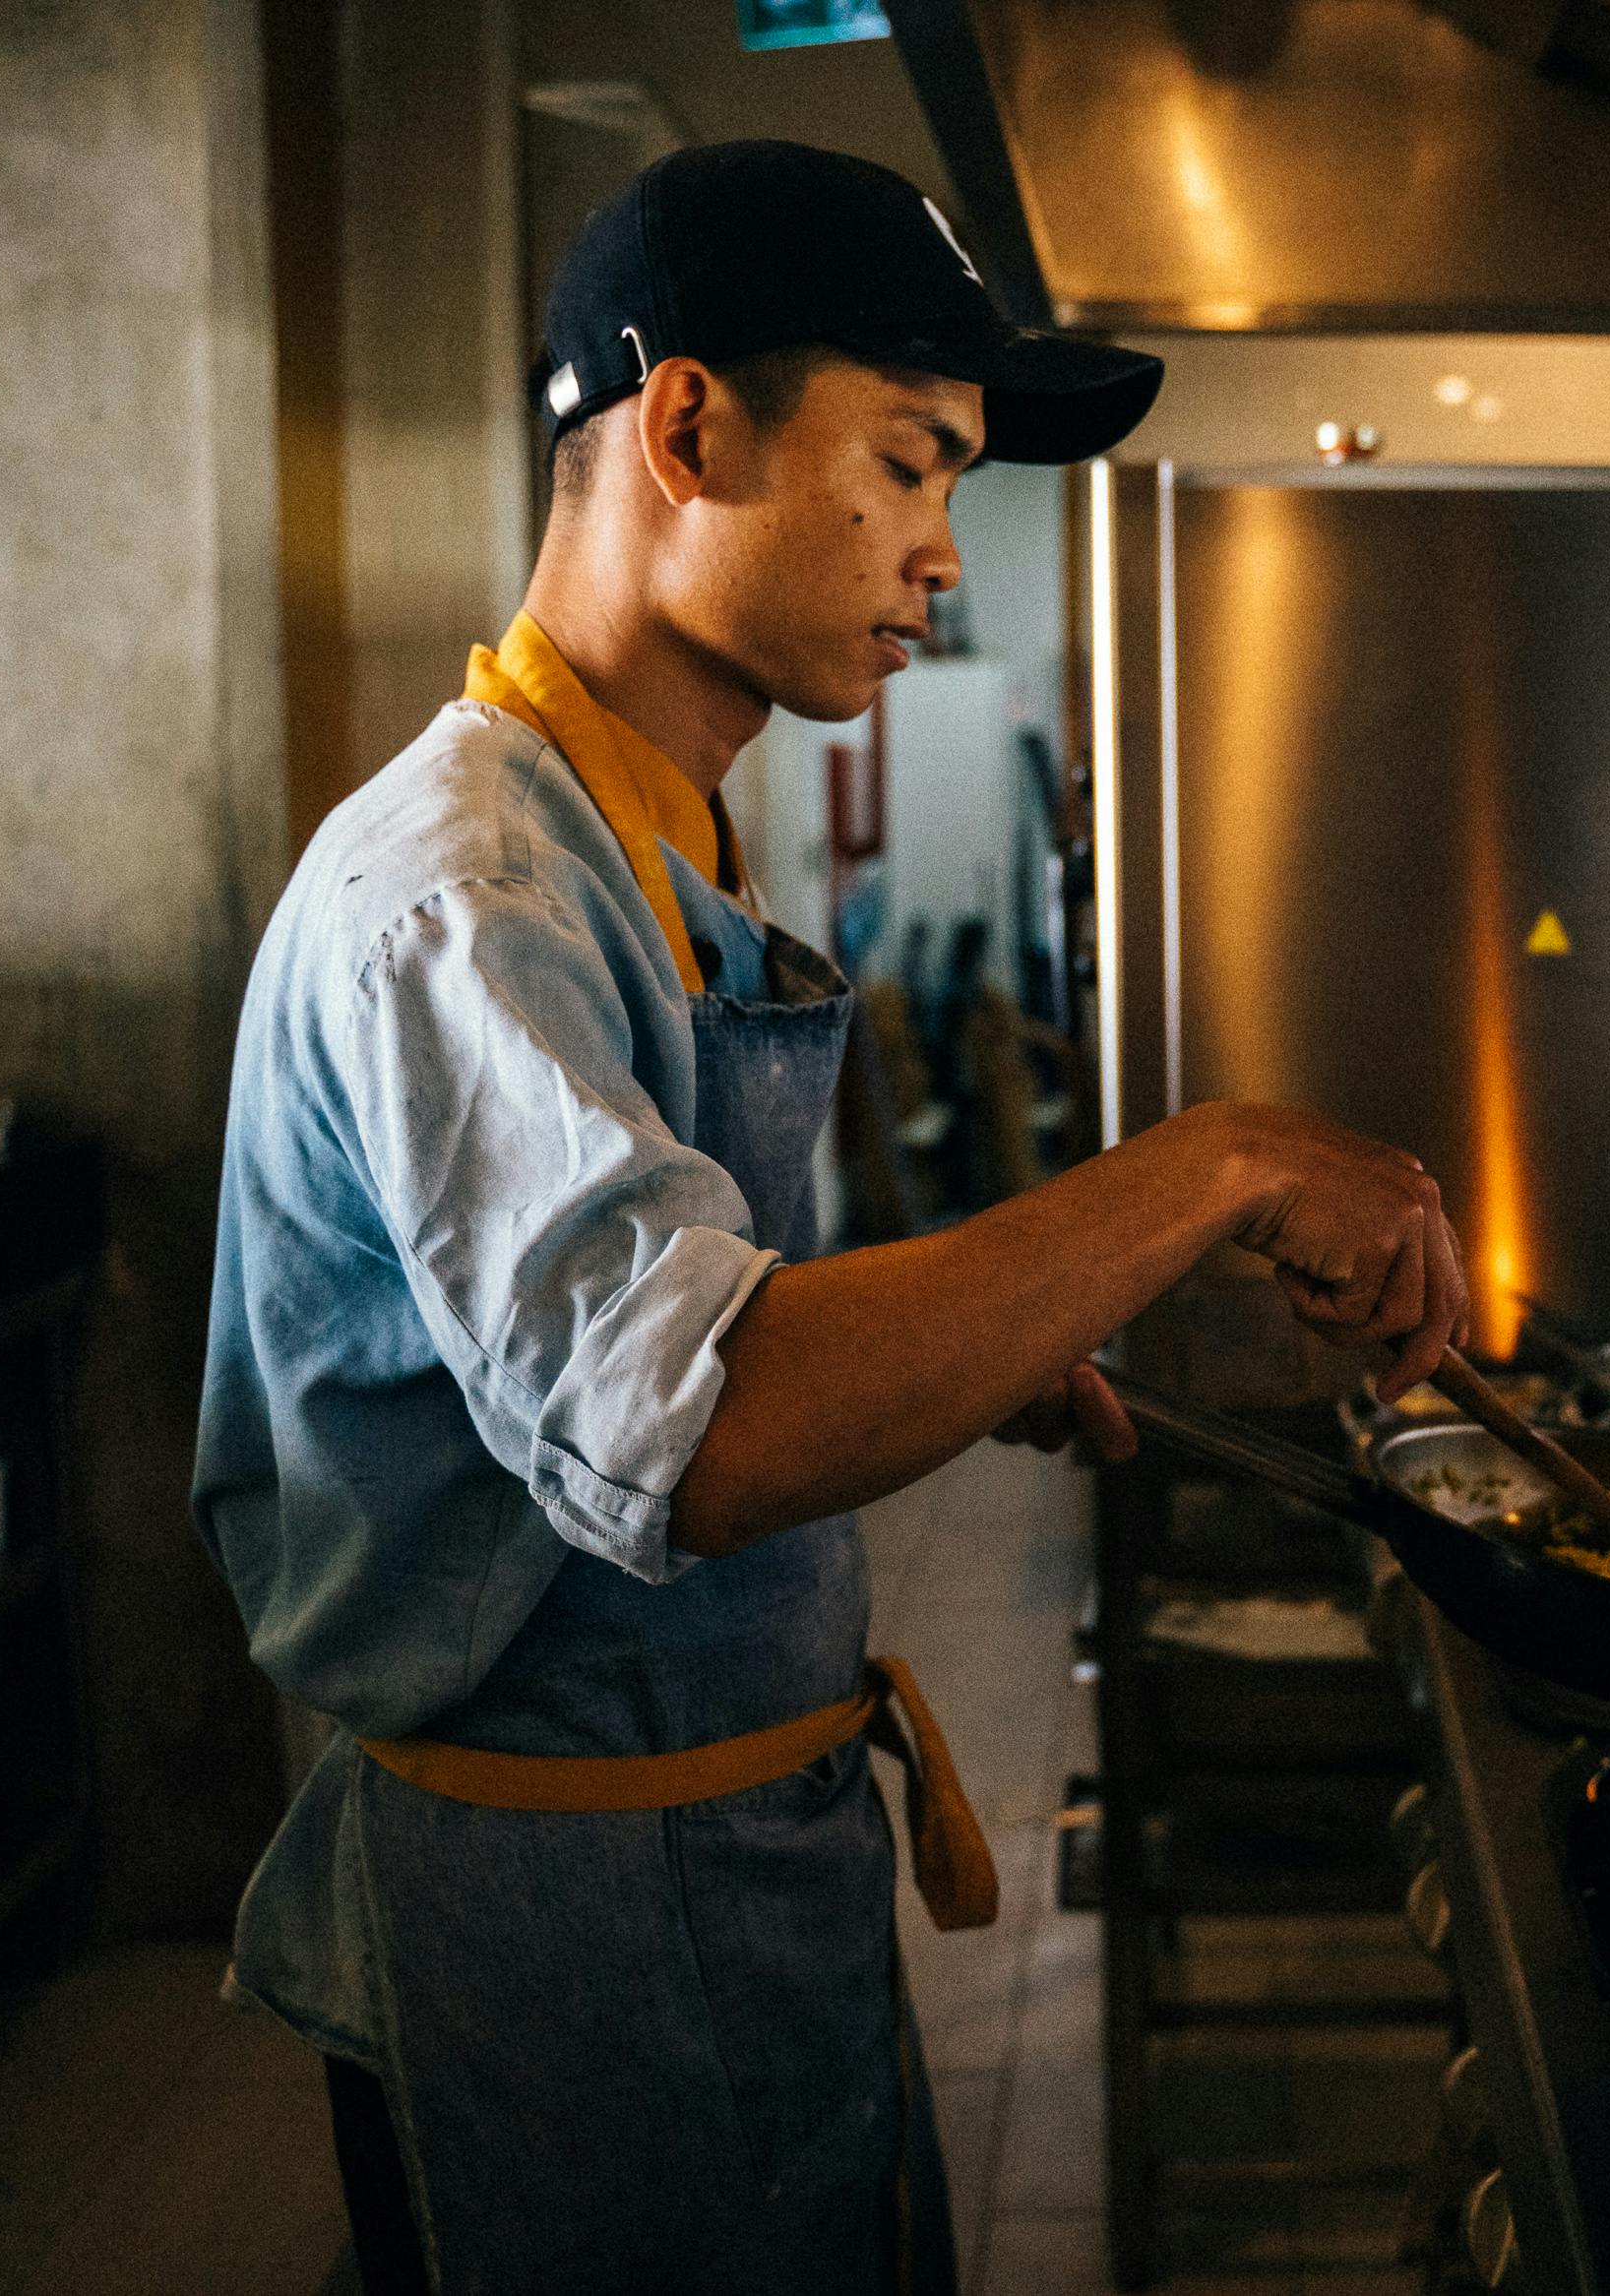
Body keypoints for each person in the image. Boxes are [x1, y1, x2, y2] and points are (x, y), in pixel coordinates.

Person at [192, 142, 1470, 2295]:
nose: (939, 560)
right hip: (565, 1937)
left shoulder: (648, 820)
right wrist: (1217, 1157)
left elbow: (688, 1304)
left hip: (717, 1866)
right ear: (685, 429)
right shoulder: (467, 893)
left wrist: (960, 1351)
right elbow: (697, 1425)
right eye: (908, 465)